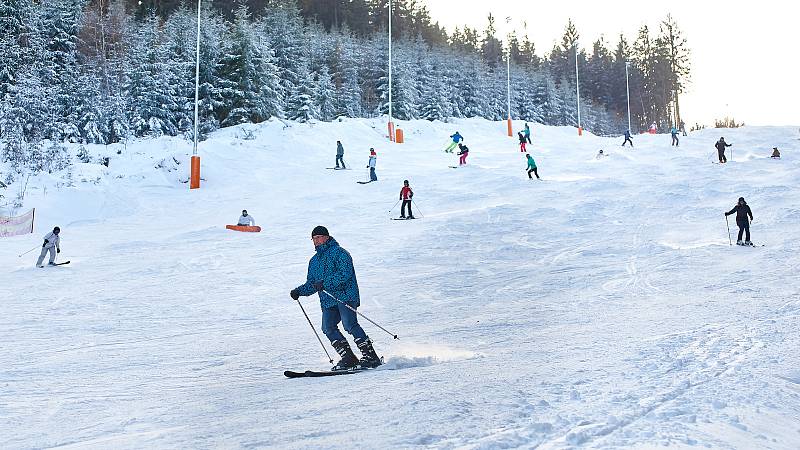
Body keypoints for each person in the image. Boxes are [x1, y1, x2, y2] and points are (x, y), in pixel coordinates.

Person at [290, 226, 381, 370]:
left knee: (349, 324)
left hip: (345, 296)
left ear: (327, 237)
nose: (316, 241)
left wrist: (324, 283)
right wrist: (299, 291)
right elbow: (312, 284)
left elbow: (345, 274)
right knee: (327, 328)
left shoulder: (340, 253)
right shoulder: (314, 261)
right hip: (327, 300)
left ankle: (371, 356)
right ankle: (349, 358)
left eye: (319, 237)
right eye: (313, 238)